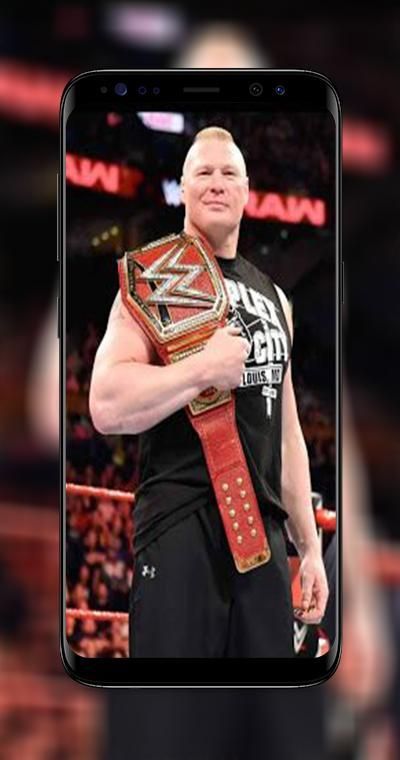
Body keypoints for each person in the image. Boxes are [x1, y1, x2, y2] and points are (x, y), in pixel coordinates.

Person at [89, 125, 328, 658]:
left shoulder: (277, 299)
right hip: (181, 524)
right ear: (185, 188)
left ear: (246, 191)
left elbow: (287, 433)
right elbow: (105, 401)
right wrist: (200, 370)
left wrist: (309, 548)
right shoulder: (153, 276)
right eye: (203, 172)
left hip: (263, 542)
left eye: (228, 173)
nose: (217, 183)